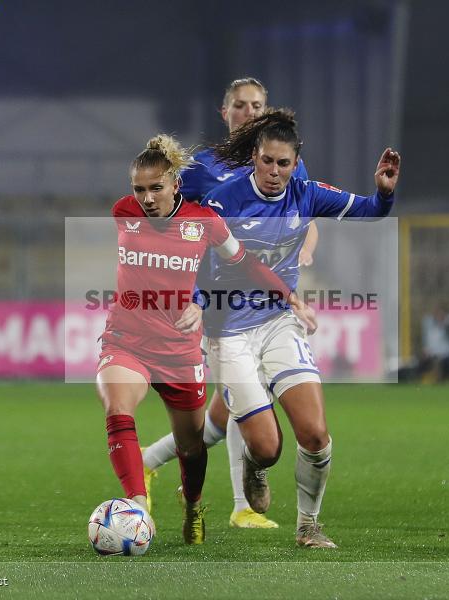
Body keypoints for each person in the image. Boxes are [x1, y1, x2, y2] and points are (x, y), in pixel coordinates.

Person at [199, 109, 400, 548]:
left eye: (283, 163)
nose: (274, 172)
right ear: (254, 156)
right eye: (267, 161)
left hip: (278, 324)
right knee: (268, 446)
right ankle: (255, 465)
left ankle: (308, 525)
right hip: (228, 331)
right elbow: (200, 267)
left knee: (314, 434)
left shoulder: (306, 195)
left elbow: (369, 212)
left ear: (296, 163)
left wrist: (383, 194)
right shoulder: (224, 202)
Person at [96, 134, 311, 545]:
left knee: (192, 446)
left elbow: (241, 265)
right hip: (126, 339)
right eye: (139, 189)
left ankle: (193, 506)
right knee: (117, 408)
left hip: (178, 350)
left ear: (176, 183)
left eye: (156, 188)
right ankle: (137, 506)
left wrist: (287, 296)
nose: (146, 197)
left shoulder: (204, 224)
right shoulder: (122, 212)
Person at [142, 77, 318, 529]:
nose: (250, 113)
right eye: (240, 105)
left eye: (258, 105)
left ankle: (150, 459)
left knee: (228, 410)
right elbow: (168, 215)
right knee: (244, 404)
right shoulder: (203, 169)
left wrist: (307, 246)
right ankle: (241, 504)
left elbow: (305, 214)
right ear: (226, 114)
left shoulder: (280, 163)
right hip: (218, 304)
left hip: (266, 303)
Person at [420, 303, 449, 382]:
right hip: (433, 355)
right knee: (430, 363)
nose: (439, 316)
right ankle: (434, 378)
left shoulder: (447, 324)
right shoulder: (430, 324)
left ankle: (442, 379)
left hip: (446, 355)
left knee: (445, 364)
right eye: (437, 314)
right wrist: (426, 349)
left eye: (441, 314)